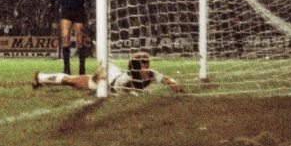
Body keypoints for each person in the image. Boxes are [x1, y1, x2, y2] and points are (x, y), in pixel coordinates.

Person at [32, 52, 183, 94]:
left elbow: (164, 78)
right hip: (104, 80)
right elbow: (124, 91)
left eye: (147, 65)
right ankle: (40, 77)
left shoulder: (150, 74)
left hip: (113, 71)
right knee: (70, 81)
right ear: (136, 68)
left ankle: (41, 78)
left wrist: (172, 83)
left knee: (72, 81)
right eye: (144, 66)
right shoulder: (126, 80)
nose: (147, 69)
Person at [49, 0, 94, 75]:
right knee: (65, 37)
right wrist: (51, 3)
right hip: (66, 10)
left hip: (79, 9)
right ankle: (67, 69)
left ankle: (82, 70)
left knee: (80, 38)